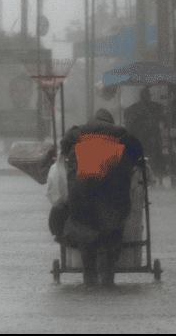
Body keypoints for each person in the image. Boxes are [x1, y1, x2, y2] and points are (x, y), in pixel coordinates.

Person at [59, 108, 144, 286]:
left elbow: (64, 147)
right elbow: (138, 153)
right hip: (114, 194)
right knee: (112, 230)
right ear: (110, 123)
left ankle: (89, 277)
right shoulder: (122, 135)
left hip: (82, 193)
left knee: (85, 230)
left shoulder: (77, 133)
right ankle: (107, 276)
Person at [124, 87, 165, 181]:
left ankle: (141, 178)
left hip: (138, 140)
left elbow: (129, 127)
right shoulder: (157, 107)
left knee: (139, 161)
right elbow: (163, 121)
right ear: (149, 96)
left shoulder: (131, 109)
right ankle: (158, 179)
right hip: (153, 140)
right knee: (155, 161)